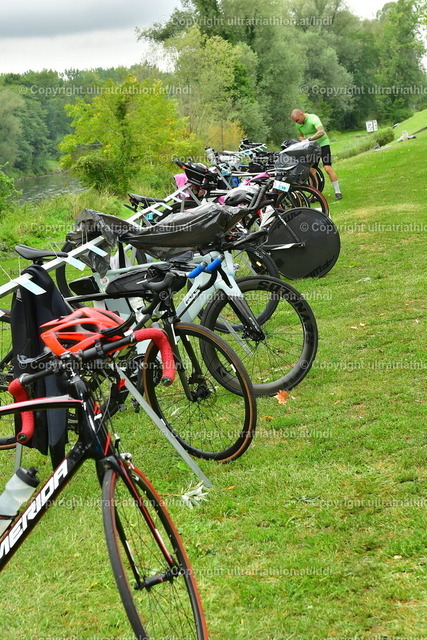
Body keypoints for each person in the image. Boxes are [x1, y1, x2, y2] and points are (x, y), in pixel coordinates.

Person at [290, 109, 342, 200]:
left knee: (327, 168)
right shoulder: (298, 124)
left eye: (297, 120)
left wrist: (309, 139)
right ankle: (315, 194)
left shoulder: (313, 118)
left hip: (323, 144)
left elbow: (321, 132)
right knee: (311, 171)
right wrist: (302, 139)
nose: (297, 123)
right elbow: (301, 135)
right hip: (312, 147)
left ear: (302, 114)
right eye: (295, 121)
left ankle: (338, 192)